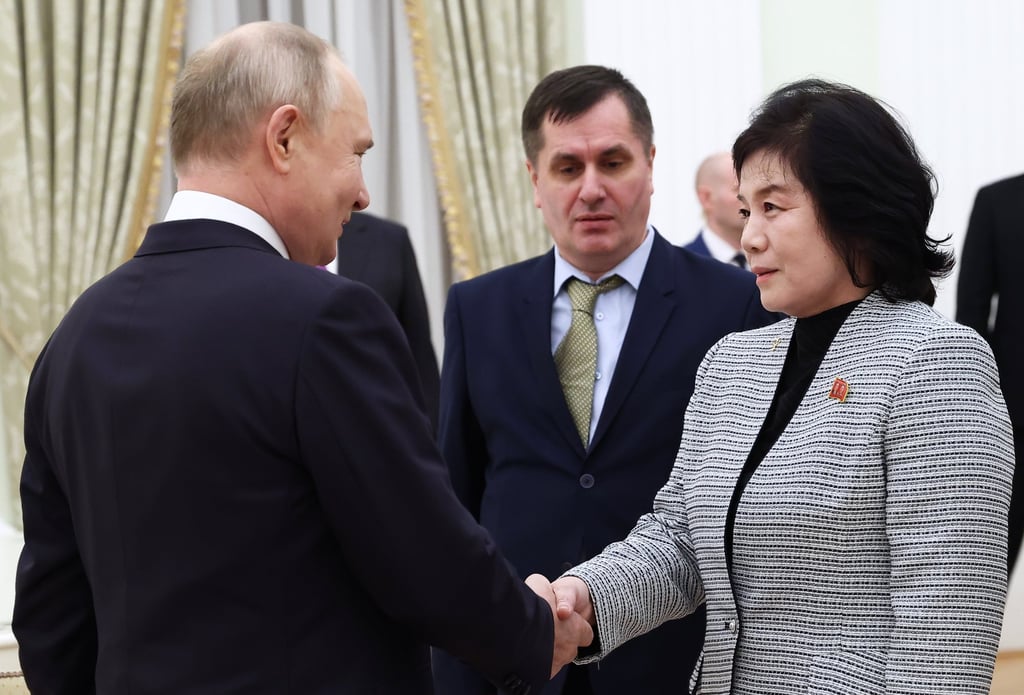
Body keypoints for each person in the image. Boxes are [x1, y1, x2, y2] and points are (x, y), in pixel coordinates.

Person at [13, 22, 592, 695]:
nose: (364, 194)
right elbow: (420, 551)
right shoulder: (326, 319)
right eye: (355, 154)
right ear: (283, 137)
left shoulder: (72, 338)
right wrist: (531, 630)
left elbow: (51, 622)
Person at [547, 79, 1015, 695]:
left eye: (774, 207)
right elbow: (680, 541)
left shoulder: (936, 364)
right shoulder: (731, 363)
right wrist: (582, 600)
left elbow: (944, 641)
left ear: (856, 209)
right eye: (746, 211)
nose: (749, 237)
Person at [433, 65, 779, 695]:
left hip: (671, 660)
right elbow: (458, 493)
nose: (591, 189)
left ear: (650, 164)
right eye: (567, 168)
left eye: (612, 163)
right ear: (535, 181)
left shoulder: (736, 305)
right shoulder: (476, 309)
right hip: (514, 662)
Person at [957, 172, 1024, 575]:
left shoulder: (999, 200)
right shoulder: (997, 200)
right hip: (1011, 418)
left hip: (1012, 409)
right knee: (987, 560)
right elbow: (972, 317)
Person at [335, 211, 440, 430]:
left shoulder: (388, 239)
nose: (362, 198)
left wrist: (432, 440)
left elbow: (419, 358)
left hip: (378, 431)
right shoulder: (267, 242)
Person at [684, 151, 748, 268]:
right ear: (707, 198)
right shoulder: (680, 267)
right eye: (738, 189)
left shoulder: (773, 260)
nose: (749, 198)